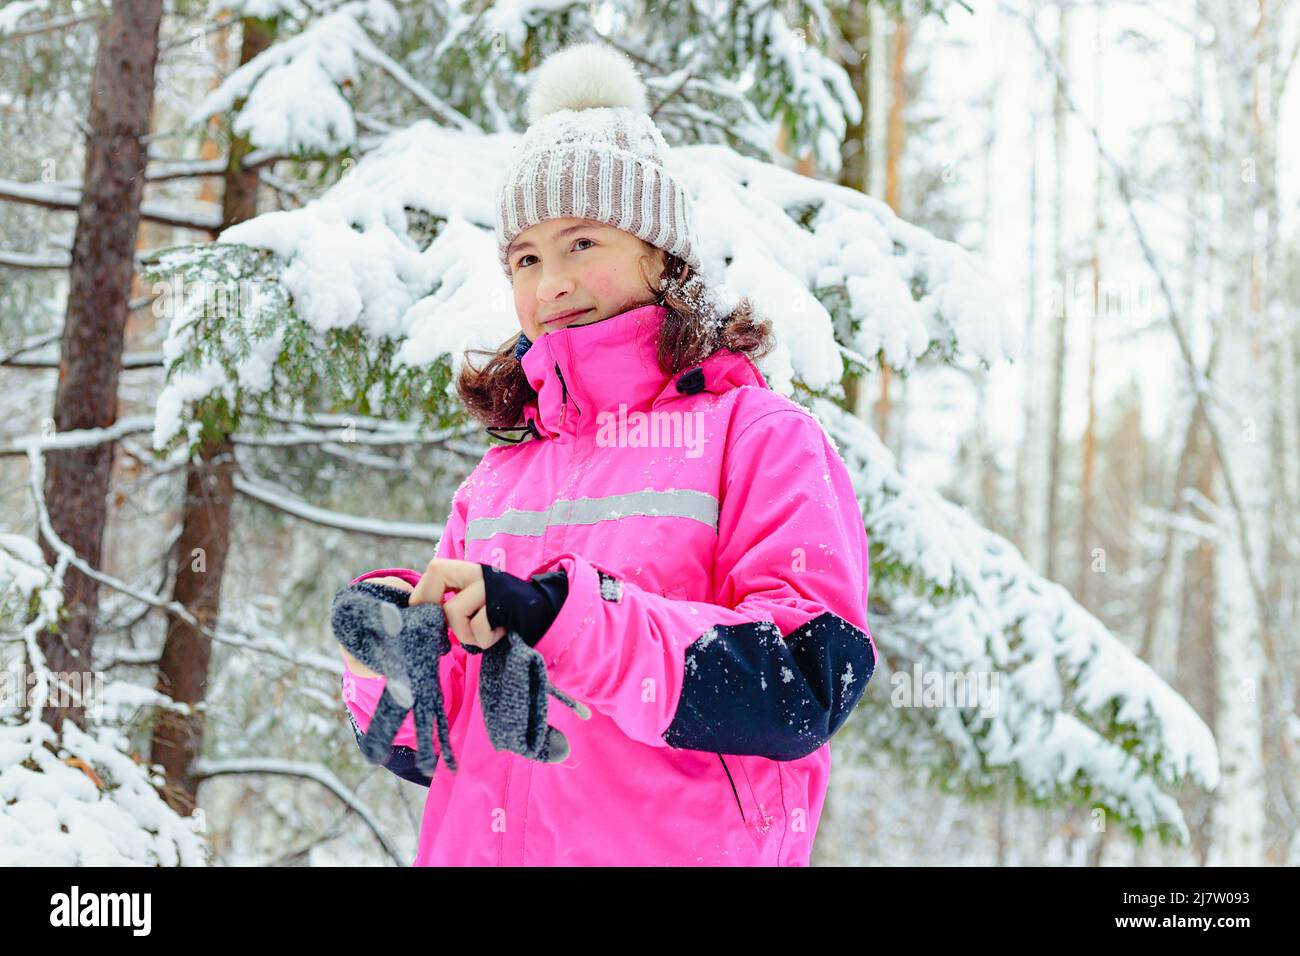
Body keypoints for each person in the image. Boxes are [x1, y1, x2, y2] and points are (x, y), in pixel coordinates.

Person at [338, 41, 877, 866]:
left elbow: (805, 685)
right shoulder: (499, 478)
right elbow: (428, 749)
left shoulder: (759, 437)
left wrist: (568, 618)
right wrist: (394, 656)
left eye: (581, 243)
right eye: (525, 257)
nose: (549, 282)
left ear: (660, 255)